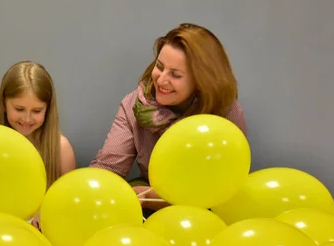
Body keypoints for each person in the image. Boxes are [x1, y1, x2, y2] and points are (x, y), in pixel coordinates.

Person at [89, 23, 247, 217]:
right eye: (159, 66)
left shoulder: (225, 114)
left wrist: (153, 197)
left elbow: (225, 186)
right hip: (147, 210)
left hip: (206, 215)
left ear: (201, 81)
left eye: (176, 74)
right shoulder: (135, 105)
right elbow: (108, 168)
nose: (161, 80)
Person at [0, 61, 76, 228]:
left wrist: (45, 214)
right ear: (4, 104)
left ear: (48, 109)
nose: (27, 119)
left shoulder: (61, 149)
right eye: (19, 109)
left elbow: (68, 204)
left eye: (37, 111)